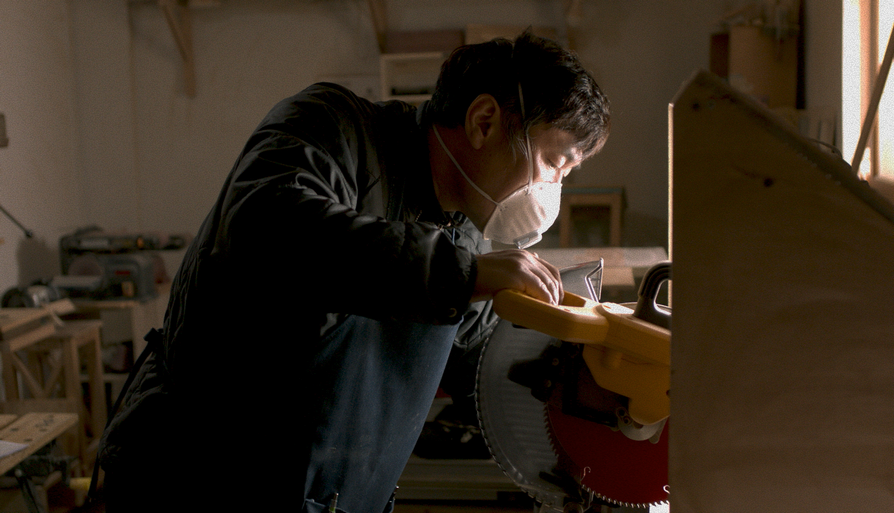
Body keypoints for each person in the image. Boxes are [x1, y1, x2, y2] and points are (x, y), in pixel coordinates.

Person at [95, 30, 609, 513]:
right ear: (484, 122)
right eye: (553, 163)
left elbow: (481, 366)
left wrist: (581, 414)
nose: (553, 191)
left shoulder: (464, 228)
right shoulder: (331, 128)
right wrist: (464, 275)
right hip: (195, 481)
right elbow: (269, 226)